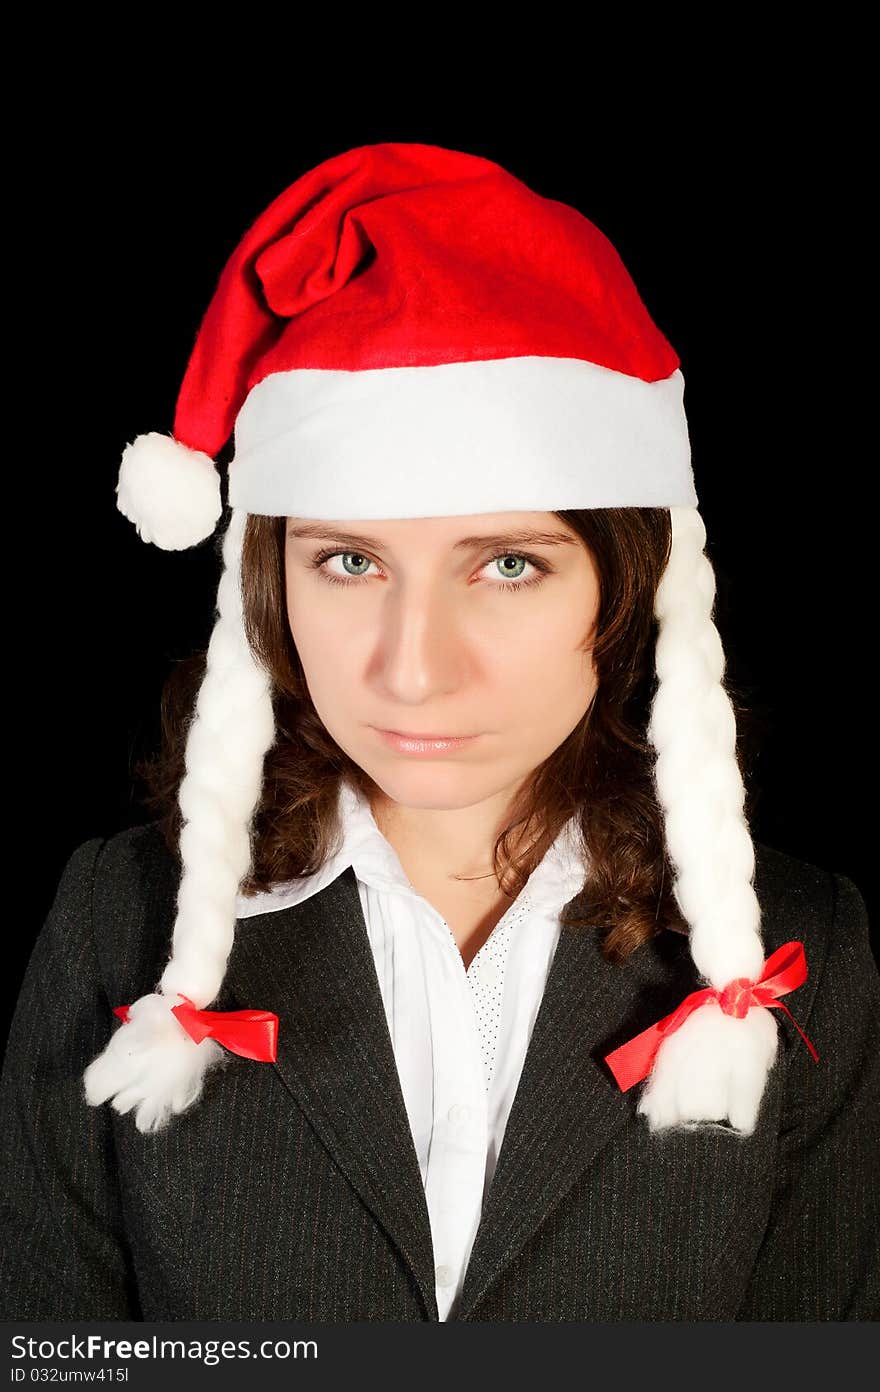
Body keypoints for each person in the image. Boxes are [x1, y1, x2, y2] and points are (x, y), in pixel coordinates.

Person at [1, 142, 878, 1323]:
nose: (413, 670)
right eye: (350, 562)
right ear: (269, 583)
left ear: (626, 586)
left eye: (508, 565)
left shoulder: (808, 950)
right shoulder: (116, 918)